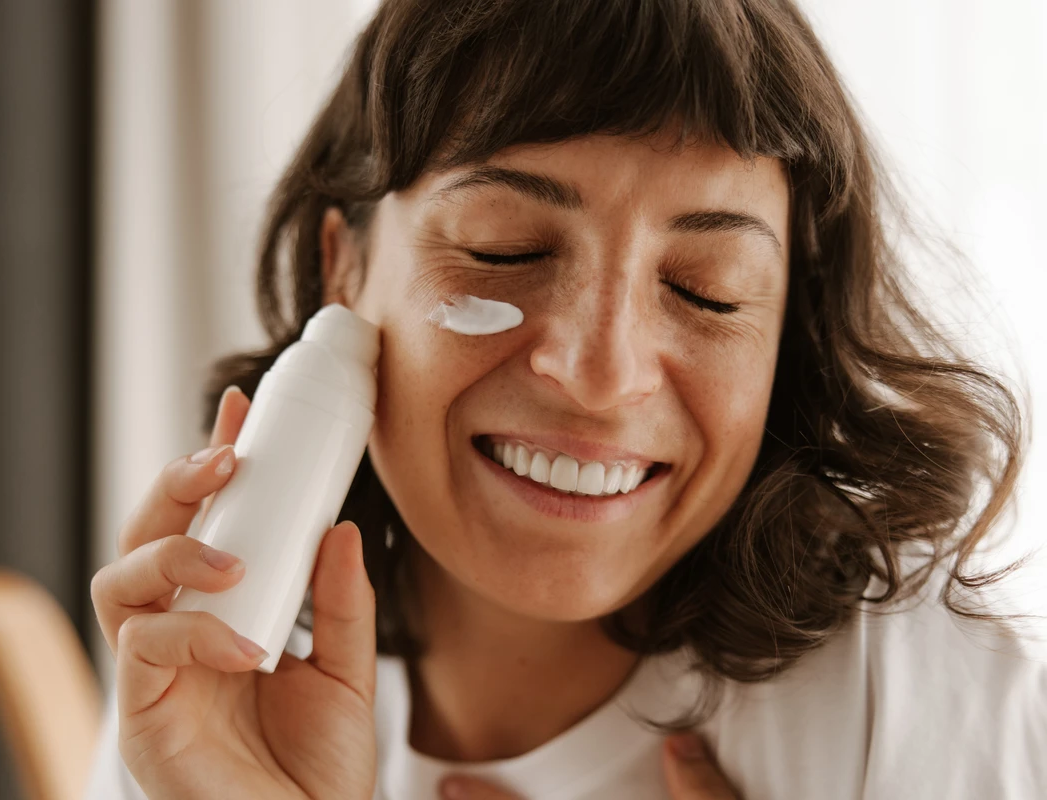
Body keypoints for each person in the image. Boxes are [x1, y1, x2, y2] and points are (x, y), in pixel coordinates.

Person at [84, 1, 1047, 798]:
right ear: (346, 270)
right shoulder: (218, 679)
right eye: (505, 250)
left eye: (708, 287)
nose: (600, 373)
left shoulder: (915, 695)